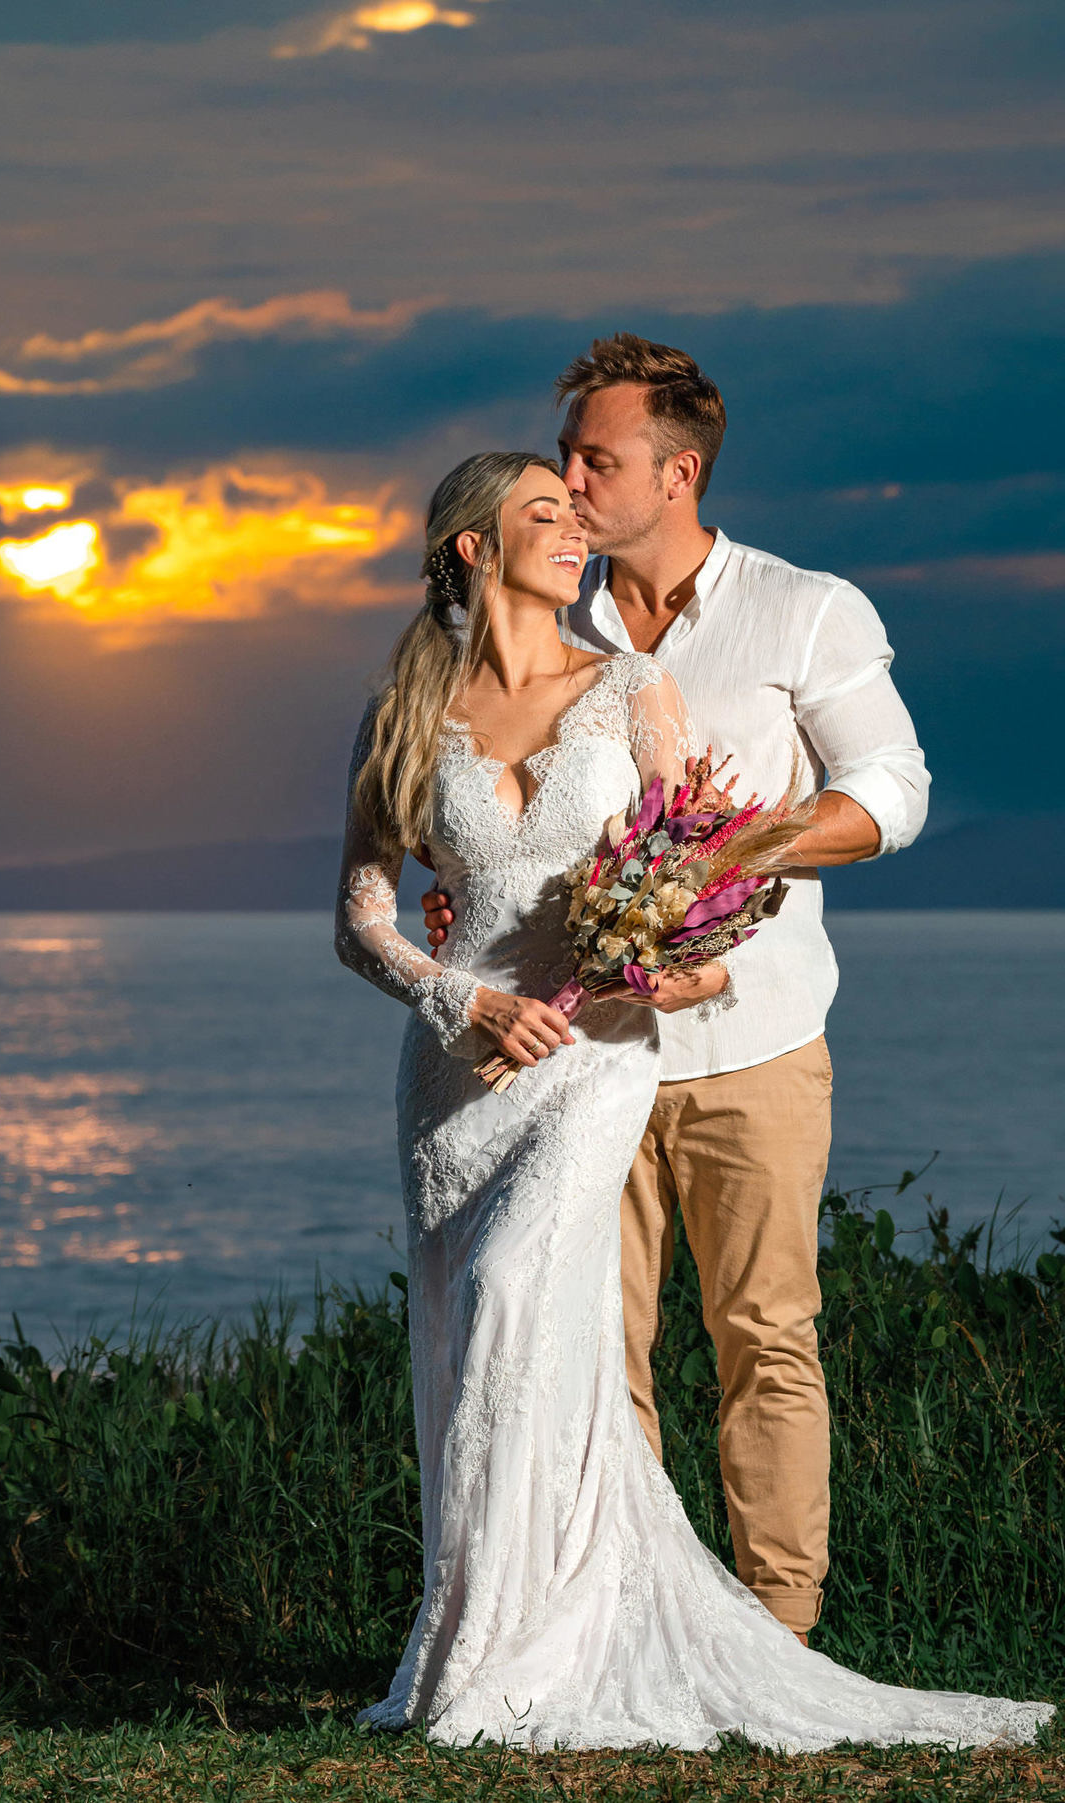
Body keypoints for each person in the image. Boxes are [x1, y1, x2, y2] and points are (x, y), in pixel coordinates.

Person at [335, 448, 1049, 1750]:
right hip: (455, 1074)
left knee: (510, 1301)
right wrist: (460, 996)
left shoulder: (631, 691)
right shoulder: (404, 707)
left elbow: (702, 898)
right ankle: (471, 1645)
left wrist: (659, 964)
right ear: (471, 551)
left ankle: (549, 1651)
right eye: (544, 514)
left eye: (578, 502)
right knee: (470, 1343)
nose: (575, 529)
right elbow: (361, 917)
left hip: (596, 1059)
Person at [421, 336, 930, 1644]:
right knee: (594, 1352)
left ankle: (778, 1628)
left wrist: (732, 852)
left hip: (755, 1042)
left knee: (766, 1342)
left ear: (679, 470)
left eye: (599, 458)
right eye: (567, 456)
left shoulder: (802, 608)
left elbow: (891, 791)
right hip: (584, 1060)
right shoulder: (545, 610)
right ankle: (627, 1629)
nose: (571, 480)